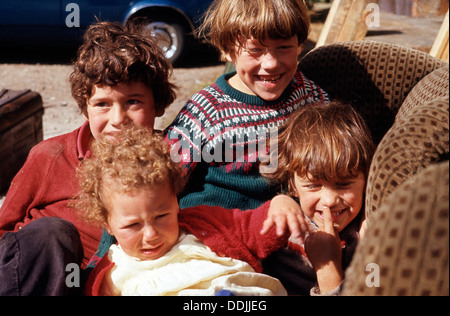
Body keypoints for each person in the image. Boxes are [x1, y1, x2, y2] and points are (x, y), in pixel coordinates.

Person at [0, 21, 176, 295]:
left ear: (158, 104)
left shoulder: (168, 163)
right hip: (36, 280)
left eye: (133, 102)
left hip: (108, 285)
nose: (118, 120)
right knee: (52, 233)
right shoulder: (49, 156)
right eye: (102, 104)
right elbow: (4, 233)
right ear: (85, 108)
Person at [77, 125, 293, 296]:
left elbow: (255, 228)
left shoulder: (203, 225)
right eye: (133, 225)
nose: (151, 234)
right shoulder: (112, 274)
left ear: (175, 202)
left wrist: (280, 207)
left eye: (161, 216)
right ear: (108, 225)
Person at [165, 0, 329, 212]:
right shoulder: (205, 110)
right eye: (255, 50)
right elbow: (156, 181)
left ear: (299, 46)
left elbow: (339, 156)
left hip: (283, 226)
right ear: (227, 50)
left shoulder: (307, 95)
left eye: (284, 48)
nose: (271, 63)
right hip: (212, 230)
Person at [261, 101, 376, 295]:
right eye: (313, 186)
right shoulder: (281, 229)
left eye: (344, 184)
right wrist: (279, 202)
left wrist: (328, 270)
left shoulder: (369, 233)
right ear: (292, 185)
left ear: (367, 177)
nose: (329, 201)